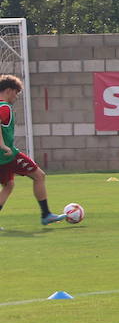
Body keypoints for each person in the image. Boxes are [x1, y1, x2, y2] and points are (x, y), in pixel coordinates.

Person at [0, 74, 67, 227]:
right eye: (16, 93)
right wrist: (3, 145)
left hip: (2, 157)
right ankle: (46, 215)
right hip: (8, 155)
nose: (16, 97)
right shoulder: (4, 107)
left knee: (9, 185)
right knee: (39, 176)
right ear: (9, 90)